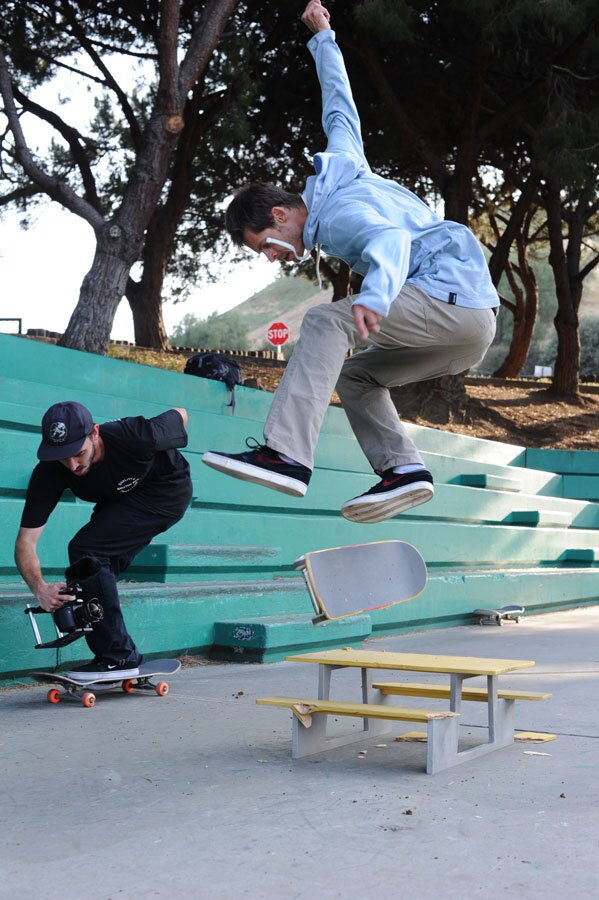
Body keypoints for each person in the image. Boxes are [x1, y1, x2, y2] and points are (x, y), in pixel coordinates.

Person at [202, 0, 499, 524]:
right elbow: (340, 106)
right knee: (356, 377)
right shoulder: (347, 164)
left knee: (323, 319)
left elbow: (388, 242)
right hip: (470, 327)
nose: (273, 258)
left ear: (280, 213)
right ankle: (404, 469)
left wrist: (376, 297)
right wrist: (323, 37)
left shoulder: (336, 214)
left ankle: (286, 454)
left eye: (267, 244)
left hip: (448, 298)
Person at [15, 400, 192, 681]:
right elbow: (25, 542)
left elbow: (181, 413)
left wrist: (166, 436)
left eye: (78, 453)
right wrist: (39, 588)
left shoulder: (133, 435)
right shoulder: (50, 470)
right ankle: (117, 654)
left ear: (95, 432)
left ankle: (118, 656)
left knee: (87, 549)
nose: (72, 464)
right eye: (63, 457)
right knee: (91, 573)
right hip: (119, 500)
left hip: (165, 491)